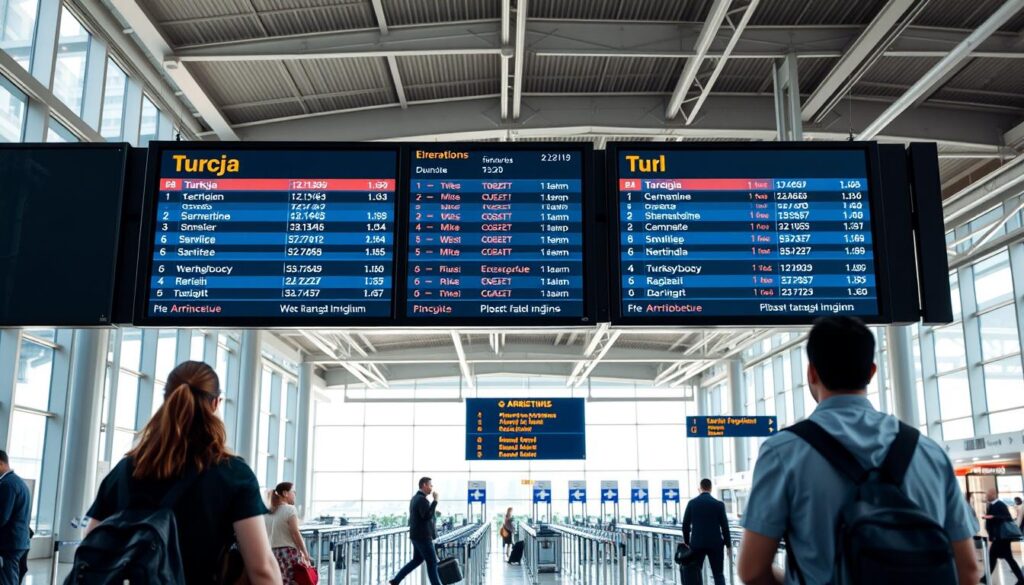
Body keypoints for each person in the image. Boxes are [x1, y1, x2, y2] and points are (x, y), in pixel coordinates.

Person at [736, 317, 979, 585]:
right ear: (872, 372)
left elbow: (753, 571)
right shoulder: (929, 453)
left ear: (811, 373)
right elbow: (968, 570)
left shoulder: (783, 452)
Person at [86, 361, 281, 584]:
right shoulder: (233, 474)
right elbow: (262, 569)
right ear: (216, 403)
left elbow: (92, 541)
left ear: (166, 399)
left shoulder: (127, 468)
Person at [389, 477, 440, 585]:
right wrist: (435, 501)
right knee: (432, 562)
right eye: (430, 485)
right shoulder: (422, 499)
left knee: (417, 560)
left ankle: (396, 580)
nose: (432, 488)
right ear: (424, 485)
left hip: (416, 535)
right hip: (423, 537)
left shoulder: (415, 498)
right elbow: (427, 516)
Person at [681, 479, 731, 585]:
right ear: (711, 488)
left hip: (696, 544)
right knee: (718, 574)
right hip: (715, 544)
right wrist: (728, 545)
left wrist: (686, 542)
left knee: (695, 572)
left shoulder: (692, 503)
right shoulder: (719, 504)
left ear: (700, 488)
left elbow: (685, 524)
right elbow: (725, 527)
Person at [265, 481, 312, 584]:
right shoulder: (290, 509)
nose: (295, 495)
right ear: (285, 493)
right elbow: (295, 533)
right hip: (288, 553)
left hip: (272, 553)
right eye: (293, 492)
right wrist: (305, 552)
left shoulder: (268, 512)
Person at [0, 450, 31, 585]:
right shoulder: (18, 482)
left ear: (0, 464)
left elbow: (2, 516)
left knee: (8, 578)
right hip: (18, 540)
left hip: (9, 542)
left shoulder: (7, 484)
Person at [983, 488, 1024, 584]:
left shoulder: (1000, 505)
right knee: (993, 558)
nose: (986, 496)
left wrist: (994, 517)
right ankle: (986, 577)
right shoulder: (991, 505)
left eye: (988, 494)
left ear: (993, 494)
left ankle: (1021, 579)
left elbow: (1007, 518)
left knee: (1007, 558)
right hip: (998, 537)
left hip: (1002, 538)